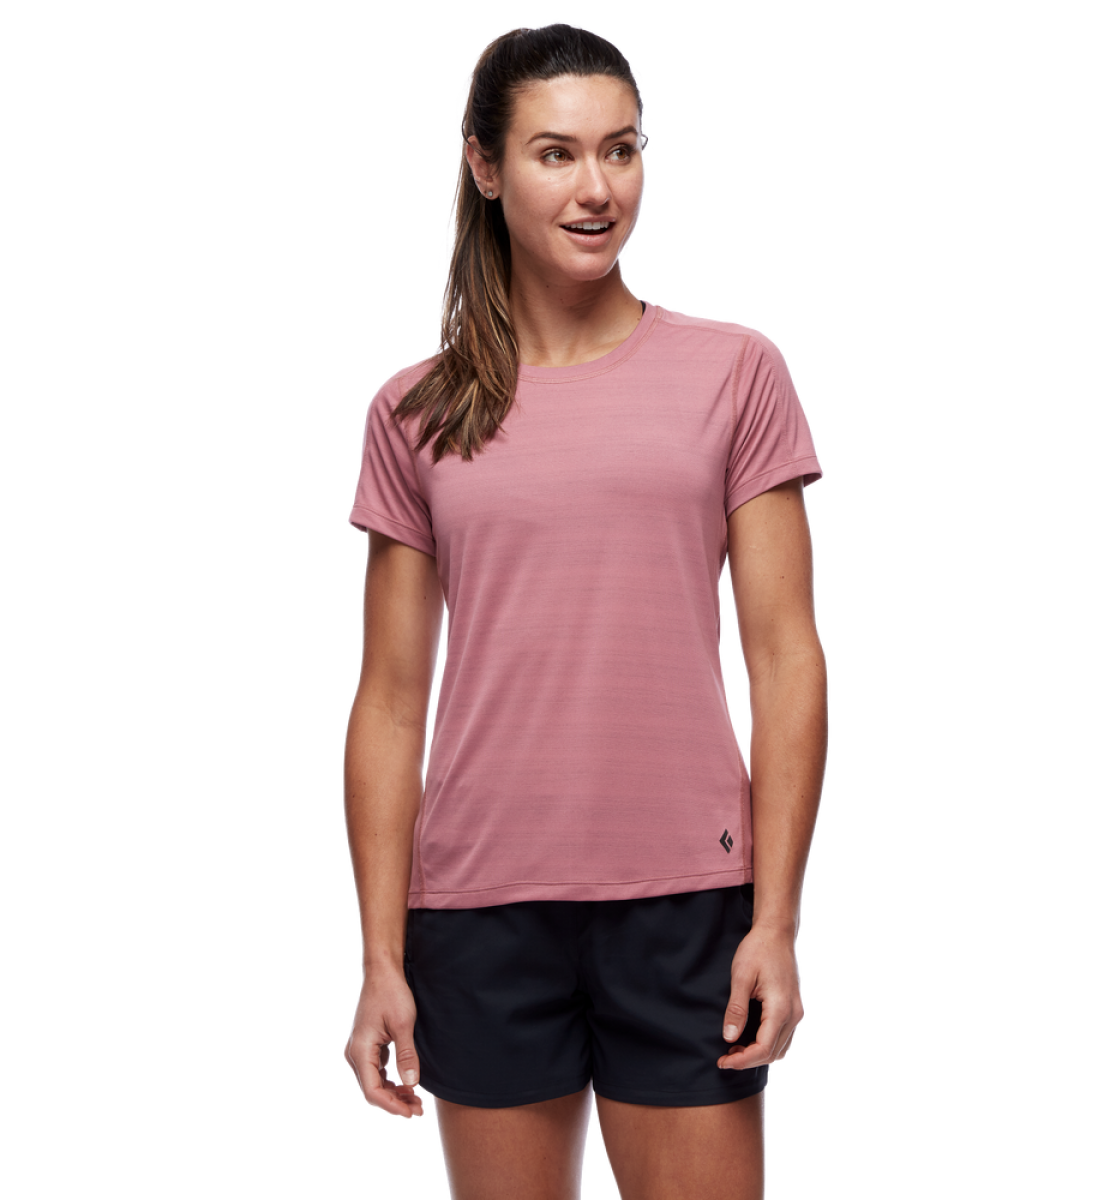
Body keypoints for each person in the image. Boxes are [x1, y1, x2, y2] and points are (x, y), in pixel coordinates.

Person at [341, 21, 828, 1200]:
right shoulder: (414, 409)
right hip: (480, 912)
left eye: (621, 149)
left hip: (688, 903)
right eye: (556, 153)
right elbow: (390, 701)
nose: (598, 187)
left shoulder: (735, 371)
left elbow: (786, 659)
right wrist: (380, 958)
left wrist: (776, 923)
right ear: (485, 165)